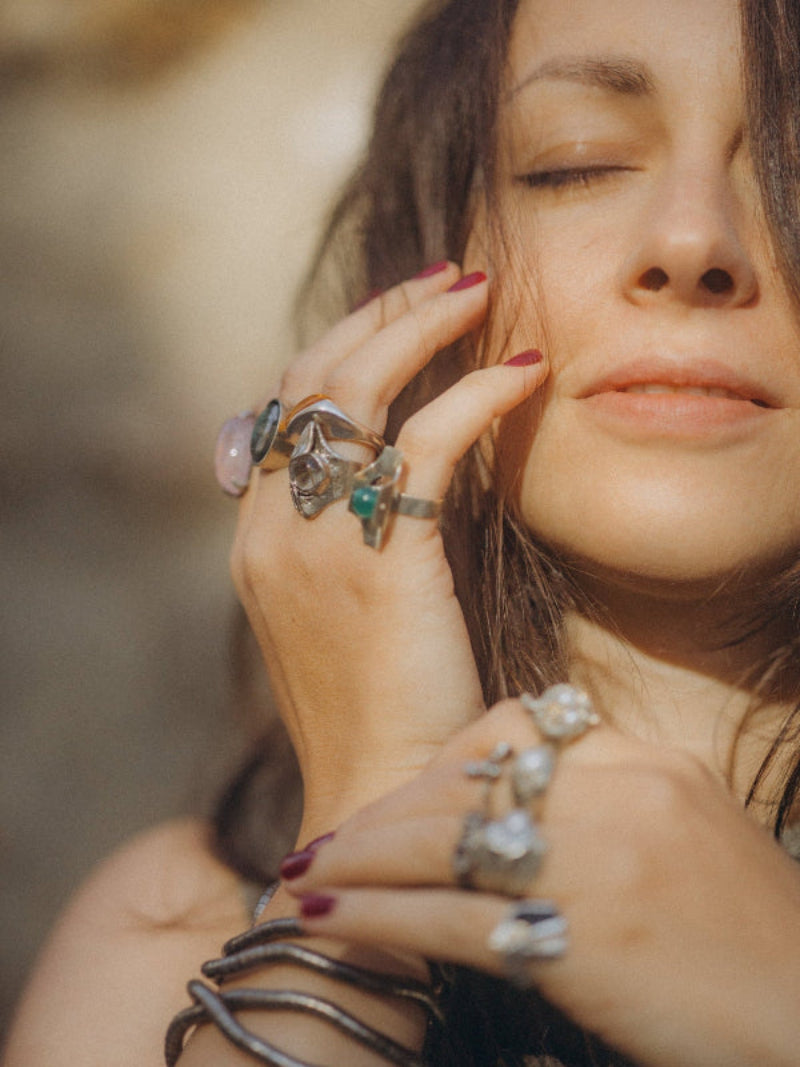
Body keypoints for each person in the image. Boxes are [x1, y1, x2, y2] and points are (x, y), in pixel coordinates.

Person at [5, 0, 800, 1064]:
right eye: (575, 161)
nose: (692, 240)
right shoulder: (178, 929)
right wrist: (368, 825)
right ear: (429, 263)